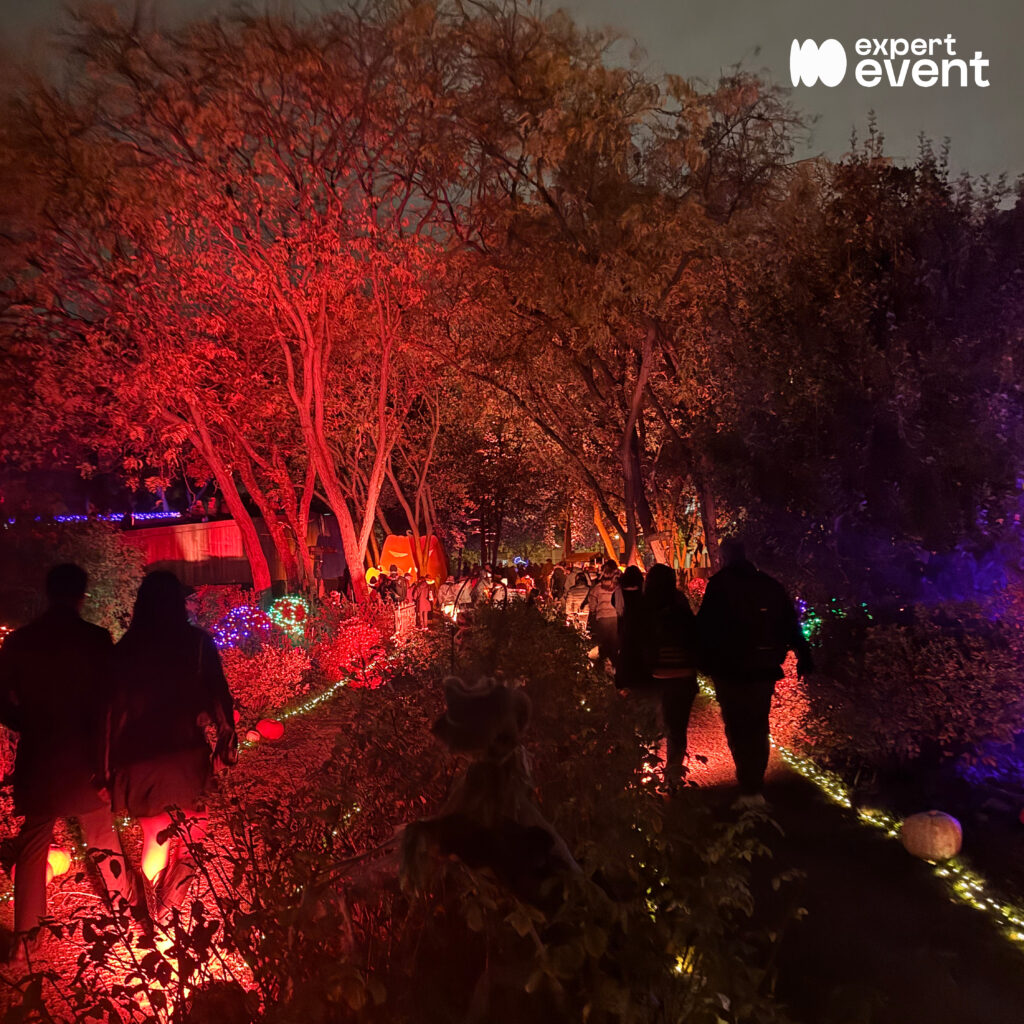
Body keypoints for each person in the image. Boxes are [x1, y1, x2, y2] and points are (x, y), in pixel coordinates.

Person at [0, 564, 131, 961]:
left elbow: (1, 699)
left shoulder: (20, 641)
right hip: (86, 752)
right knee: (102, 834)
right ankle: (122, 916)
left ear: (47, 591)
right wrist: (108, 760)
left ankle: (26, 937)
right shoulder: (96, 639)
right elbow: (112, 703)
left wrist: (24, 723)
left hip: (40, 751)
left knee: (34, 841)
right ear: (81, 595)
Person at [108, 571, 236, 924]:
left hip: (139, 756)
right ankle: (166, 914)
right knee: (194, 831)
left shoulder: (126, 649)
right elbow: (219, 694)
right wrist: (226, 741)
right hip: (184, 752)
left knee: (155, 836)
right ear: (178, 603)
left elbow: (112, 710)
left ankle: (152, 916)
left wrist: (109, 765)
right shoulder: (197, 643)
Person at [697, 539, 814, 807]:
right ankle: (755, 785)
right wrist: (803, 654)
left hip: (729, 668)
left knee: (736, 725)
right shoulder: (768, 585)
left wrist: (703, 661)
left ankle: (748, 784)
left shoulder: (720, 585)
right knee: (759, 724)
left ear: (724, 557)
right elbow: (789, 622)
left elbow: (705, 626)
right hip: (764, 666)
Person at [642, 564, 700, 788]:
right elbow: (693, 634)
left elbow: (637, 638)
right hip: (683, 674)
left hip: (655, 674)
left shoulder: (645, 604)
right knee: (677, 728)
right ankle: (673, 776)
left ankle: (650, 771)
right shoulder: (680, 602)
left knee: (652, 725)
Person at [614, 566, 649, 691]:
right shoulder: (644, 590)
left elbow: (617, 608)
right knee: (640, 652)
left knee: (626, 652)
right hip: (642, 625)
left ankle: (625, 680)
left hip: (625, 625)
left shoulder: (619, 592)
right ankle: (641, 679)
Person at [587, 560, 621, 669]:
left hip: (602, 618)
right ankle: (615, 666)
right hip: (615, 618)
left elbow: (592, 603)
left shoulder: (597, 588)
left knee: (603, 644)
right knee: (614, 644)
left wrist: (594, 611)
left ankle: (602, 668)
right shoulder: (618, 587)